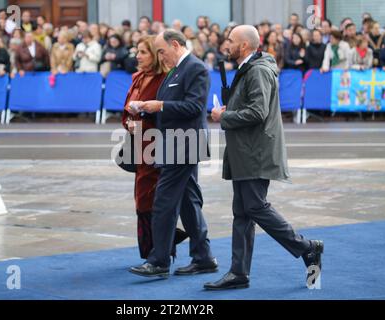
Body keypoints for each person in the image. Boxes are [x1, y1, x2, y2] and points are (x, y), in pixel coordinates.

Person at [208, 25, 323, 290]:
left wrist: (223, 116)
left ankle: (307, 248)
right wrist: (230, 110)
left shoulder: (257, 70)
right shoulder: (250, 68)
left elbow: (258, 112)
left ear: (245, 46)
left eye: (231, 40)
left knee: (255, 207)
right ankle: (238, 273)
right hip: (246, 151)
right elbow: (251, 107)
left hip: (254, 152)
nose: (226, 44)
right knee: (242, 212)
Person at [128, 29, 216, 278]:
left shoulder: (195, 68)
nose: (160, 56)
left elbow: (195, 107)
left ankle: (159, 261)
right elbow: (171, 107)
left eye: (162, 51)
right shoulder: (176, 70)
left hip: (184, 145)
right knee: (189, 204)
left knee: (164, 202)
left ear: (175, 45)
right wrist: (146, 109)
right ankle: (204, 257)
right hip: (175, 144)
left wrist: (160, 105)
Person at [121, 35, 188, 260]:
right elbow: (126, 110)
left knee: (154, 198)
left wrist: (146, 113)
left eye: (143, 52)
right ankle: (158, 247)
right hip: (140, 145)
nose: (137, 56)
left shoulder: (165, 79)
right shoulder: (137, 77)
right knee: (142, 198)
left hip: (159, 145)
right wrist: (129, 122)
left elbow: (169, 113)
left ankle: (161, 251)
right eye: (137, 51)